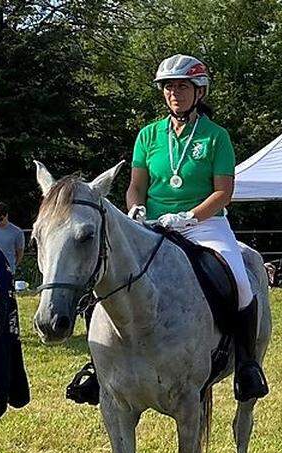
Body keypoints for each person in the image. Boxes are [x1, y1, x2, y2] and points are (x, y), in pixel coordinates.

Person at [66, 54, 269, 404]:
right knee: (107, 276)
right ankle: (99, 366)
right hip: (153, 224)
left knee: (239, 280)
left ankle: (247, 364)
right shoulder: (148, 135)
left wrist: (191, 216)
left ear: (199, 91)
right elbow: (136, 184)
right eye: (169, 87)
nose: (174, 93)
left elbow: (224, 191)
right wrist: (135, 207)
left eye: (182, 86)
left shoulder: (216, 137)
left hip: (205, 225)